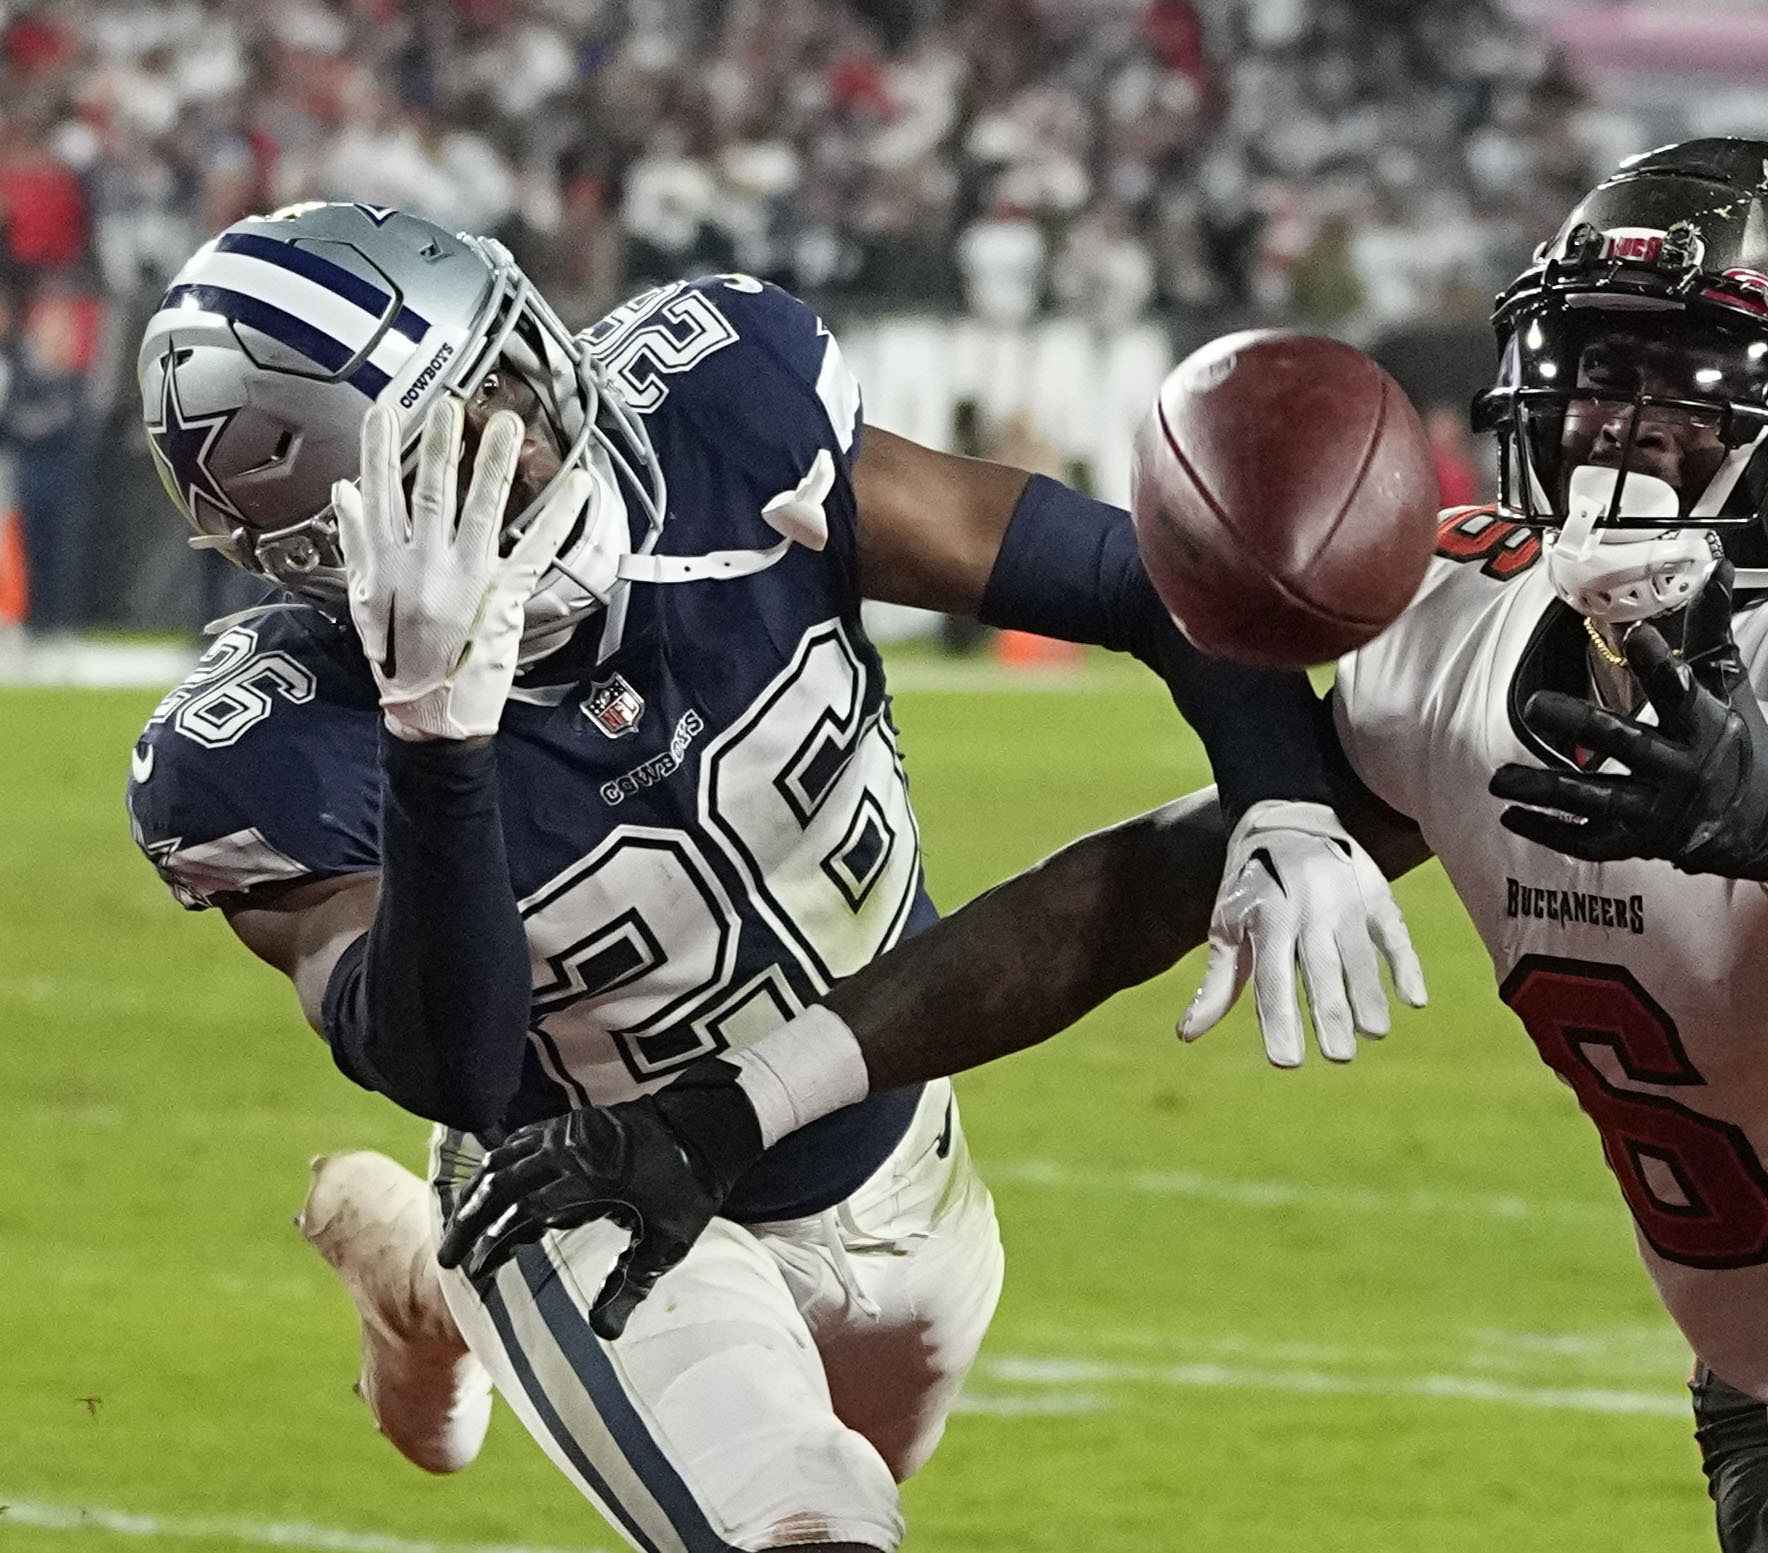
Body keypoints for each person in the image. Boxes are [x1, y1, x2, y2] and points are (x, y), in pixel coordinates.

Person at [450, 142, 1768, 1552]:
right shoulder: (1460, 633)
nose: (1613, 423)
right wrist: (723, 1108)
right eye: (1593, 369)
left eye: (1684, 379)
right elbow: (1123, 895)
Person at [126, 202, 1422, 1550]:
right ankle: (477, 1272)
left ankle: (420, 1283)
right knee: (807, 1525)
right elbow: (446, 1059)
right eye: (468, 436)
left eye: (518, 374)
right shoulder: (269, 747)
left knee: (861, 1465)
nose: (541, 438)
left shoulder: (718, 422)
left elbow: (1143, 573)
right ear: (331, 533)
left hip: (898, 1151)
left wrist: (1281, 796)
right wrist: (437, 739)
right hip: (601, 1196)